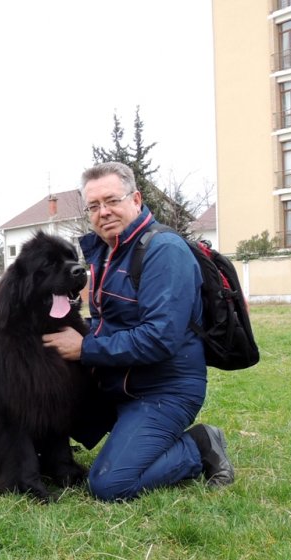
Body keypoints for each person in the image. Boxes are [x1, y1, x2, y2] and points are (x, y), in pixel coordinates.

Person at [42, 161, 234, 502]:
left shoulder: (164, 252)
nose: (104, 212)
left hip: (164, 390)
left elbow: (159, 338)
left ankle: (199, 445)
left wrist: (84, 349)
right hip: (119, 383)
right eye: (94, 206)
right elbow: (106, 322)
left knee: (109, 485)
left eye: (112, 200)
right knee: (40, 411)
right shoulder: (107, 252)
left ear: (136, 198)